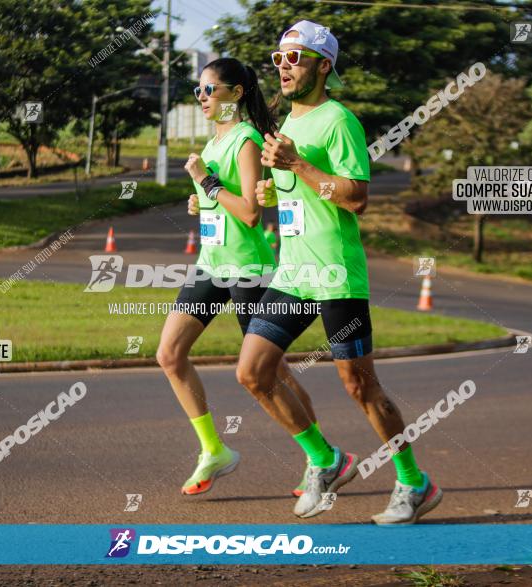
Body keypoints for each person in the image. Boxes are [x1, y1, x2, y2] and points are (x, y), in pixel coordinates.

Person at [235, 21, 442, 524]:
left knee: (359, 386)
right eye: (279, 58)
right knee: (253, 371)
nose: (284, 67)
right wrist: (274, 190)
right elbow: (302, 194)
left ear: (323, 65)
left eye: (296, 58)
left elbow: (356, 199)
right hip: (293, 273)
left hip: (335, 275)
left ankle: (415, 483)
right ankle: (325, 459)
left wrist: (298, 166)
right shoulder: (288, 125)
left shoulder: (338, 120)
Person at [156, 57, 320, 496]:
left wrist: (207, 184)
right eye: (199, 92)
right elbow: (223, 203)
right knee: (170, 355)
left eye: (211, 90)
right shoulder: (212, 145)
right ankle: (214, 450)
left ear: (237, 93)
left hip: (248, 268)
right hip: (212, 264)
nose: (203, 99)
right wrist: (203, 202)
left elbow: (250, 212)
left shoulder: (246, 139)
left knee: (272, 372)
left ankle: (320, 456)